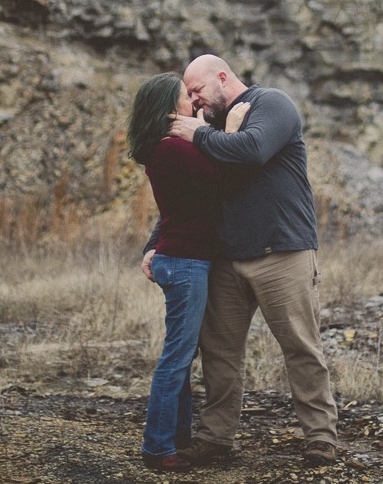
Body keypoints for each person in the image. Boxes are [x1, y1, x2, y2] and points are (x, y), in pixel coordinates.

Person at [142, 54, 339, 468]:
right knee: (219, 354)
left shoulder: (271, 104)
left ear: (221, 77)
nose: (194, 102)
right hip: (226, 260)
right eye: (189, 96)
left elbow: (251, 150)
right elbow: (188, 196)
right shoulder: (209, 129)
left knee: (301, 347)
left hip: (281, 251)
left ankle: (320, 437)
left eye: (196, 91)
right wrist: (155, 241)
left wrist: (197, 134)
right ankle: (216, 437)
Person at [128, 72, 249, 472]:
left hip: (181, 259)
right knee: (176, 357)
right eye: (186, 98)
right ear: (168, 109)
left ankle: (175, 438)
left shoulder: (164, 149)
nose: (194, 104)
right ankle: (158, 448)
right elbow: (228, 177)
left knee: (181, 353)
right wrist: (231, 129)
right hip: (186, 262)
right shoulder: (171, 150)